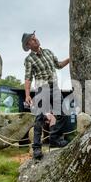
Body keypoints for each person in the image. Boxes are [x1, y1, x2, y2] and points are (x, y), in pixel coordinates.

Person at [22, 31, 70, 160]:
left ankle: (54, 139)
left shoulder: (48, 52)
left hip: (55, 88)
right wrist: (27, 95)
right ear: (28, 45)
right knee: (40, 118)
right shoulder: (29, 60)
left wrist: (70, 59)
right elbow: (28, 78)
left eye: (35, 37)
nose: (36, 39)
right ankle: (36, 148)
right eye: (32, 39)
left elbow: (58, 65)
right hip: (42, 89)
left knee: (63, 114)